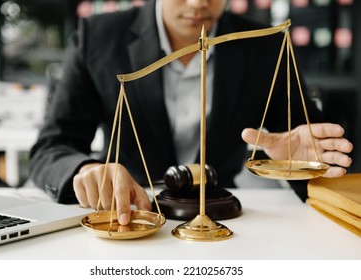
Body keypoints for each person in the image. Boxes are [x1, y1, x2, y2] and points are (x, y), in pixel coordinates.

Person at [29, 0, 353, 225]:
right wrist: (85, 170)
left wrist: (307, 163)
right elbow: (51, 149)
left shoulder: (264, 47)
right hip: (130, 211)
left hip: (222, 219)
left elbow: (317, 151)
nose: (200, 4)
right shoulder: (97, 38)